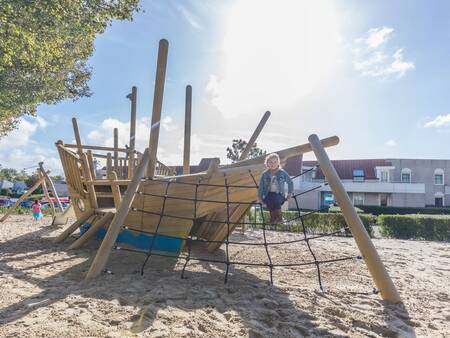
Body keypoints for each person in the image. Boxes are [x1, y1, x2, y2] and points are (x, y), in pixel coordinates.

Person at [257, 153, 294, 223]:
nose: (273, 164)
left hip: (280, 195)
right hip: (268, 194)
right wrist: (259, 197)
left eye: (275, 162)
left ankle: (280, 218)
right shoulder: (265, 174)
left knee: (275, 197)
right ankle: (273, 218)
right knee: (269, 200)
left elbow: (290, 182)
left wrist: (289, 194)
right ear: (267, 163)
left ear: (278, 163)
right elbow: (261, 186)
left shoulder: (282, 173)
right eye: (270, 162)